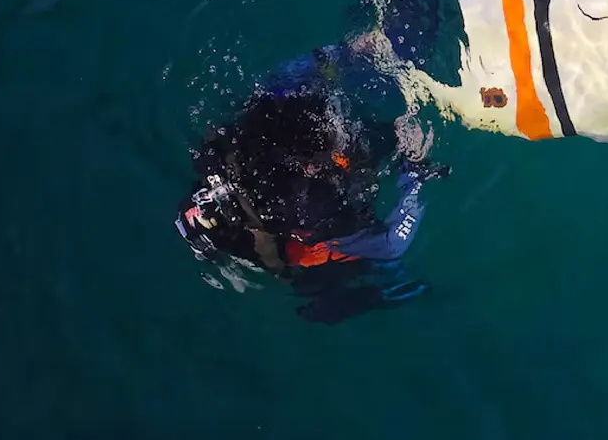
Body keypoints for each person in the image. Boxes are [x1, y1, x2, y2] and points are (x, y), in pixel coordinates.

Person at [177, 32, 440, 325]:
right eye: (337, 142)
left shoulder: (262, 117)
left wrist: (346, 51)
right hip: (273, 245)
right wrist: (416, 173)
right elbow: (391, 244)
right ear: (313, 167)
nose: (343, 130)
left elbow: (283, 78)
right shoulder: (310, 207)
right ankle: (389, 294)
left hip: (233, 201)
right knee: (341, 282)